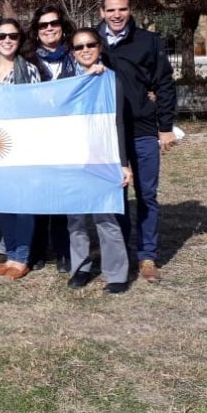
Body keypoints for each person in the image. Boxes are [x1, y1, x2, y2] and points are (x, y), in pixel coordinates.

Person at [97, 0, 177, 283]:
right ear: (102, 12)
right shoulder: (92, 41)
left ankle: (147, 256)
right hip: (107, 133)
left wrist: (165, 127)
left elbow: (164, 84)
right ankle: (120, 253)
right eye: (111, 10)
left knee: (146, 195)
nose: (117, 15)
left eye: (122, 9)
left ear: (130, 11)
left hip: (142, 129)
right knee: (115, 194)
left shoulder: (148, 41)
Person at [66, 28, 133, 294]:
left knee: (105, 216)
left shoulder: (111, 81)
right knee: (76, 218)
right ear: (73, 52)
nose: (85, 50)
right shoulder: (67, 82)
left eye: (90, 45)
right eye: (79, 47)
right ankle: (80, 267)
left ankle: (116, 274)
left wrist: (122, 163)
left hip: (102, 157)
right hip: (73, 157)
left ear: (100, 47)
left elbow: (118, 123)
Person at [0, 18, 40, 280]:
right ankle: (11, 253)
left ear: (19, 39)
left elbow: (37, 108)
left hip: (21, 146)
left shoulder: (30, 70)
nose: (7, 41)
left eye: (12, 36)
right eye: (2, 36)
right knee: (3, 202)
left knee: (22, 203)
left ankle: (22, 257)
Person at [26, 5, 78, 272]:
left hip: (68, 136)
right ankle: (36, 250)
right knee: (38, 193)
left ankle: (63, 251)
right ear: (36, 31)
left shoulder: (76, 57)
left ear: (62, 26)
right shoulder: (28, 60)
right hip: (37, 137)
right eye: (43, 25)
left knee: (62, 194)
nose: (49, 29)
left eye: (53, 23)